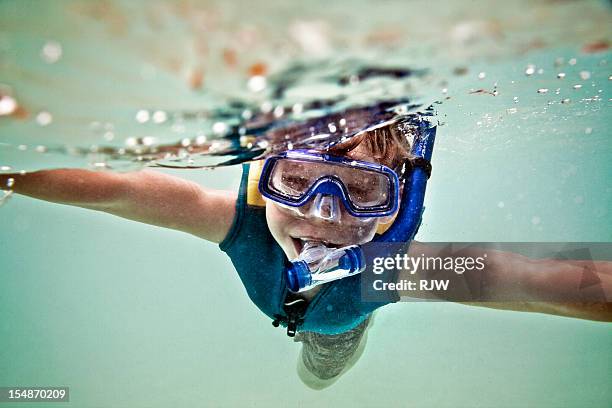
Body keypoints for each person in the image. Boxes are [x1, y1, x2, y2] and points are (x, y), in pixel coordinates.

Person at [1, 119, 610, 390]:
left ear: (400, 207)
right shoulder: (232, 221)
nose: (322, 214)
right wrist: (11, 177)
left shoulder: (394, 268)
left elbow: (550, 280)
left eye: (364, 190)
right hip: (318, 308)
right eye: (296, 179)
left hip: (336, 330)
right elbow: (119, 190)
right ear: (264, 174)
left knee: (320, 373)